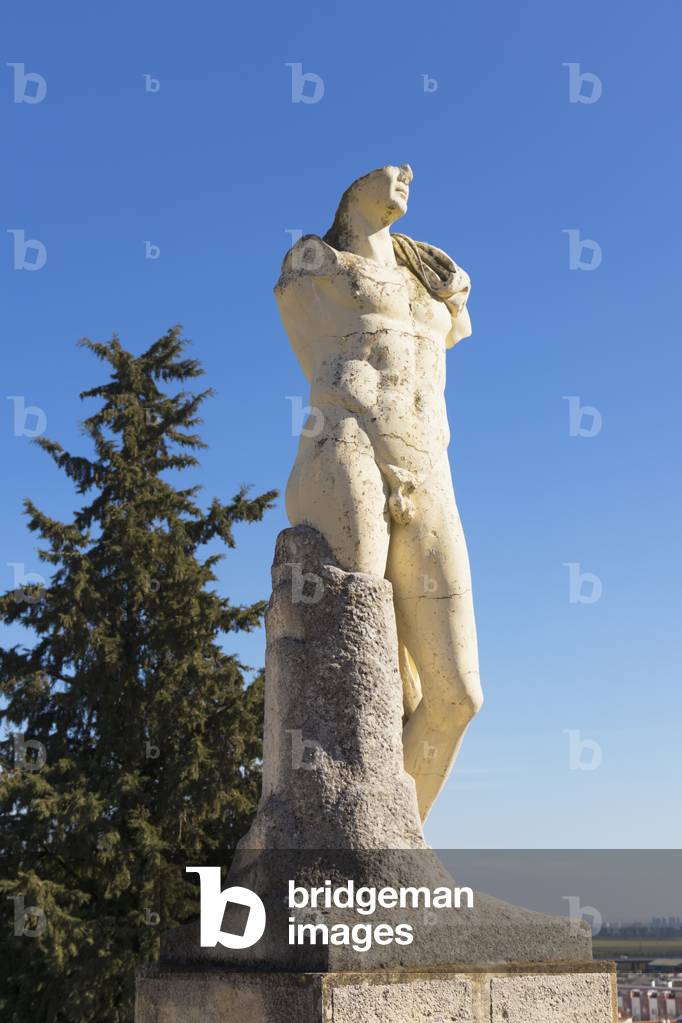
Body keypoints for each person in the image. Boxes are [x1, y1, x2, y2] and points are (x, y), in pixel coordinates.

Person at [275, 164, 482, 823]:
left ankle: (392, 843)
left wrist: (450, 284)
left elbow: (455, 323)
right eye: (386, 172)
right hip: (348, 442)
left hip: (430, 469)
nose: (403, 175)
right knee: (359, 636)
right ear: (351, 192)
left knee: (457, 696)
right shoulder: (316, 262)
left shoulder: (430, 278)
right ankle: (342, 830)